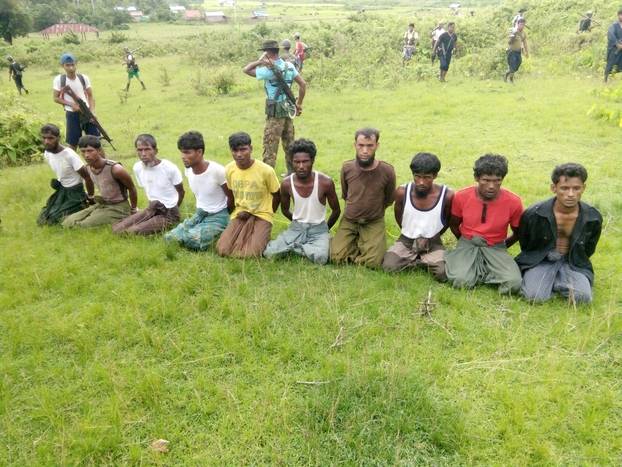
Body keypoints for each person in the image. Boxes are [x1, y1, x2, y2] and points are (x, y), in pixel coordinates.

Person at [516, 163, 602, 304]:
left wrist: (576, 258)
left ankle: (555, 280)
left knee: (583, 298)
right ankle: (549, 279)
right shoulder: (534, 213)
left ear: (584, 188)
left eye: (576, 188)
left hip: (572, 261)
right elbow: (525, 242)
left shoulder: (592, 217)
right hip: (541, 260)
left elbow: (589, 248)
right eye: (564, 188)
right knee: (534, 297)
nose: (570, 194)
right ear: (553, 188)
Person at [444, 154, 523, 294]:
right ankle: (475, 267)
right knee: (460, 281)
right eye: (485, 180)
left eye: (497, 181)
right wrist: (464, 241)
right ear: (476, 178)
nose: (491, 186)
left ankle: (482, 270)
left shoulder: (514, 202)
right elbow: (454, 224)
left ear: (502, 179)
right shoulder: (461, 196)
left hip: (496, 246)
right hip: (468, 242)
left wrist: (502, 246)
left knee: (513, 284)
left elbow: (518, 232)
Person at [264, 139, 341, 264]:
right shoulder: (287, 183)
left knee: (321, 257)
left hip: (319, 229)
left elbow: (336, 210)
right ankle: (302, 248)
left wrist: (325, 229)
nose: (301, 166)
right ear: (291, 162)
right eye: (297, 162)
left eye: (305, 162)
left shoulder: (325, 182)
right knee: (269, 252)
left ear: (312, 161)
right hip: (297, 227)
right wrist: (297, 223)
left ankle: (295, 247)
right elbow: (284, 209)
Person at [382, 152, 454, 280]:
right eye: (417, 176)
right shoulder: (402, 192)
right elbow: (399, 217)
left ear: (435, 175)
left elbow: (447, 220)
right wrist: (409, 233)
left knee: (443, 273)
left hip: (433, 242)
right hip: (407, 240)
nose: (421, 182)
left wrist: (434, 236)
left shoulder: (447, 195)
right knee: (388, 266)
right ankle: (421, 262)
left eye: (427, 177)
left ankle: (417, 261)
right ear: (413, 175)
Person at [331, 128, 396, 268]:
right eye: (361, 145)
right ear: (355, 145)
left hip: (373, 220)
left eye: (370, 146)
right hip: (350, 219)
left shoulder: (387, 171)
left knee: (373, 262)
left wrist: (372, 210)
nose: (365, 151)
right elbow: (346, 193)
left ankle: (365, 245)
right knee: (336, 257)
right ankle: (358, 244)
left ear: (377, 146)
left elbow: (389, 199)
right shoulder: (347, 168)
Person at [243, 40, 306, 174]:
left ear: (268, 53)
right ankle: (292, 174)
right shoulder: (289, 66)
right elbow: (303, 84)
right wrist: (299, 103)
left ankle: (268, 177)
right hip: (288, 109)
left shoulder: (268, 70)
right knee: (290, 144)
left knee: (270, 146)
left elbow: (246, 69)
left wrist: (260, 61)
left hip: (275, 112)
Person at [216, 132, 281, 258]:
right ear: (231, 151)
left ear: (251, 149)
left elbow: (277, 195)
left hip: (262, 214)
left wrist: (268, 212)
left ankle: (262, 235)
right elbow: (231, 194)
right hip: (241, 213)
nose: (239, 154)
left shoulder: (266, 170)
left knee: (249, 254)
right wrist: (236, 211)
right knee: (222, 249)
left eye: (243, 150)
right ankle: (246, 234)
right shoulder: (229, 169)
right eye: (235, 150)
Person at [165, 131, 233, 250]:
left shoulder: (218, 171)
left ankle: (222, 229)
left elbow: (231, 197)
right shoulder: (189, 170)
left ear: (200, 152)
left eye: (187, 152)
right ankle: (199, 228)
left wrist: (224, 216)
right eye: (181, 152)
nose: (183, 156)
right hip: (200, 213)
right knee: (170, 238)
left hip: (219, 215)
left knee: (192, 241)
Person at [112, 134, 184, 235]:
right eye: (140, 150)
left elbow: (181, 191)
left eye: (147, 149)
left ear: (156, 151)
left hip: (169, 212)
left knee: (131, 232)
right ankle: (150, 218)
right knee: (117, 228)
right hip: (152, 207)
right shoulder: (137, 167)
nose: (143, 153)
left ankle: (169, 220)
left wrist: (173, 209)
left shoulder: (169, 168)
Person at [62, 135, 137, 228]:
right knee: (67, 222)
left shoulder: (115, 169)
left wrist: (133, 210)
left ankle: (122, 216)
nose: (86, 155)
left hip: (119, 207)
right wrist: (90, 197)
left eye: (90, 151)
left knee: (83, 225)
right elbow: (89, 182)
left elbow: (132, 188)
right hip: (103, 203)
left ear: (99, 150)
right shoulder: (88, 168)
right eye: (83, 151)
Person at [37, 123, 94, 226]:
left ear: (58, 138)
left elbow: (87, 177)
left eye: (51, 138)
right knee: (43, 218)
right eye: (44, 138)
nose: (46, 141)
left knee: (54, 219)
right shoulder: (47, 153)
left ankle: (83, 205)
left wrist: (90, 197)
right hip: (63, 190)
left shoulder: (69, 155)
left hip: (76, 193)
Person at [52, 53, 100, 150]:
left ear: (76, 64)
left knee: (95, 141)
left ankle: (103, 164)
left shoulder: (83, 78)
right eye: (68, 65)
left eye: (72, 64)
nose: (71, 67)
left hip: (86, 112)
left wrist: (92, 112)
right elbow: (56, 98)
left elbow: (90, 96)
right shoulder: (59, 80)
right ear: (63, 66)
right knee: (73, 144)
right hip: (72, 114)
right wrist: (71, 104)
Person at [505, 18, 529, 83]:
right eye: (521, 24)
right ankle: (511, 79)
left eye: (523, 25)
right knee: (513, 65)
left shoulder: (523, 33)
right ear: (518, 24)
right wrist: (514, 36)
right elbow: (509, 42)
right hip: (511, 51)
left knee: (517, 66)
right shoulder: (513, 31)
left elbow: (525, 43)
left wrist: (526, 52)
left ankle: (507, 73)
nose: (522, 26)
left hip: (518, 52)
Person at [604, 9, 622, 83]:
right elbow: (611, 35)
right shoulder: (614, 25)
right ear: (618, 15)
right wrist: (617, 44)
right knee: (610, 63)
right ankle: (605, 79)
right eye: (621, 15)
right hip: (614, 49)